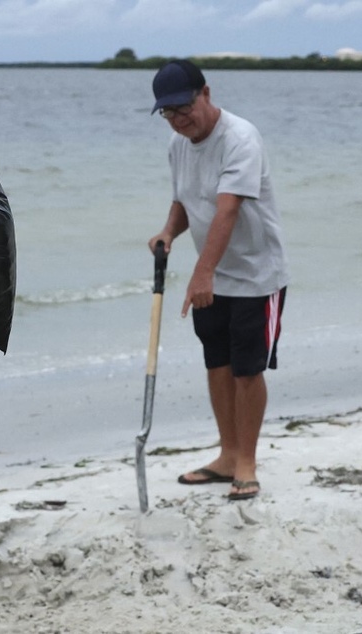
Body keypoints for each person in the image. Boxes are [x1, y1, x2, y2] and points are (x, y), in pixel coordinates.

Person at [147, 60, 289, 502]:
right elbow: (184, 198)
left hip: (255, 275)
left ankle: (246, 461)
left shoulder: (241, 139)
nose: (178, 118)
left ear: (205, 93)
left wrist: (202, 272)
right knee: (217, 364)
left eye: (183, 107)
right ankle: (227, 454)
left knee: (248, 369)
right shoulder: (178, 143)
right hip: (212, 276)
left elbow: (228, 208)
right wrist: (169, 232)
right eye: (168, 112)